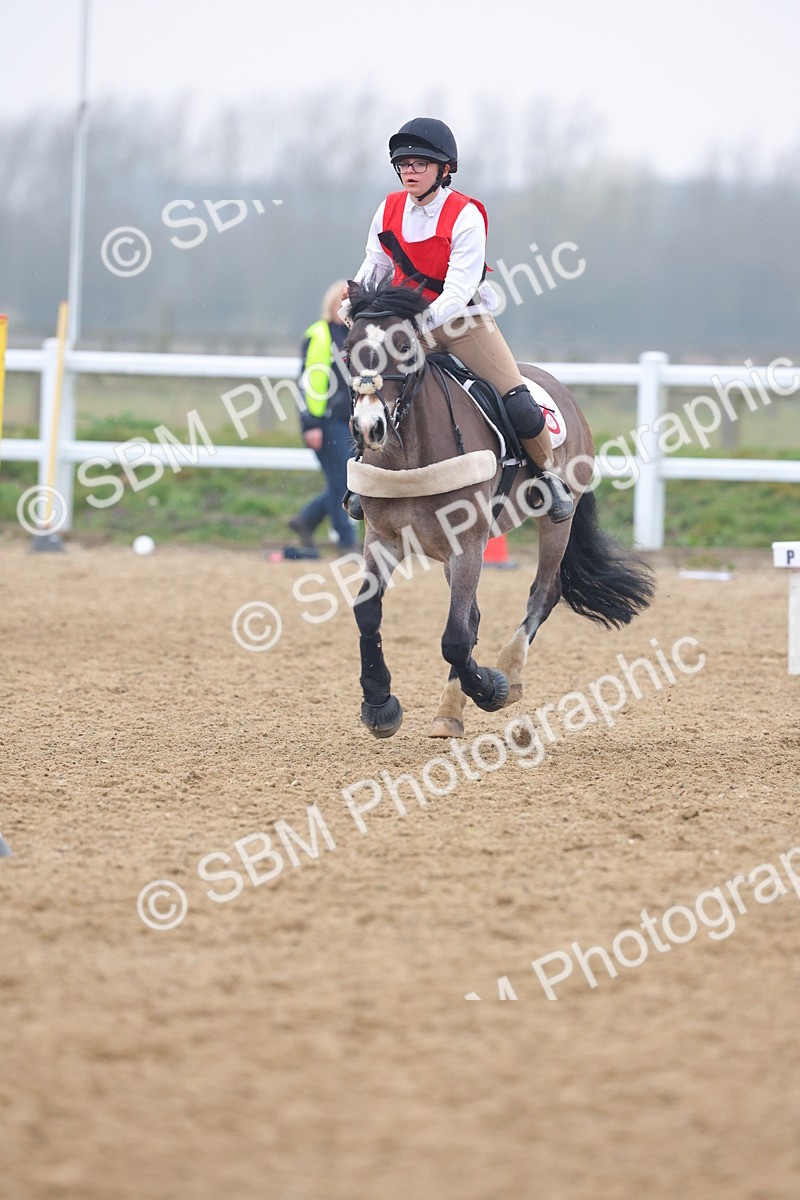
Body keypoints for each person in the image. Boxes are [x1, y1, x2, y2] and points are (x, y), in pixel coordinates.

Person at [340, 117, 573, 523]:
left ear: (443, 169)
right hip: (409, 325)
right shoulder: (389, 207)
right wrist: (357, 297)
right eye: (403, 164)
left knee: (517, 400)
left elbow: (457, 290)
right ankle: (366, 472)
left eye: (419, 164)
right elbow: (374, 264)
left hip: (464, 324)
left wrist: (415, 324)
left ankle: (547, 475)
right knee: (374, 383)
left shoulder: (466, 214)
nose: (409, 171)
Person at [288, 280, 357, 552]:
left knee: (341, 480)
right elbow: (310, 383)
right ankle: (346, 541)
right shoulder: (321, 333)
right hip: (326, 422)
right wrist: (311, 424)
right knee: (344, 481)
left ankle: (307, 519)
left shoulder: (355, 334)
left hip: (348, 421)